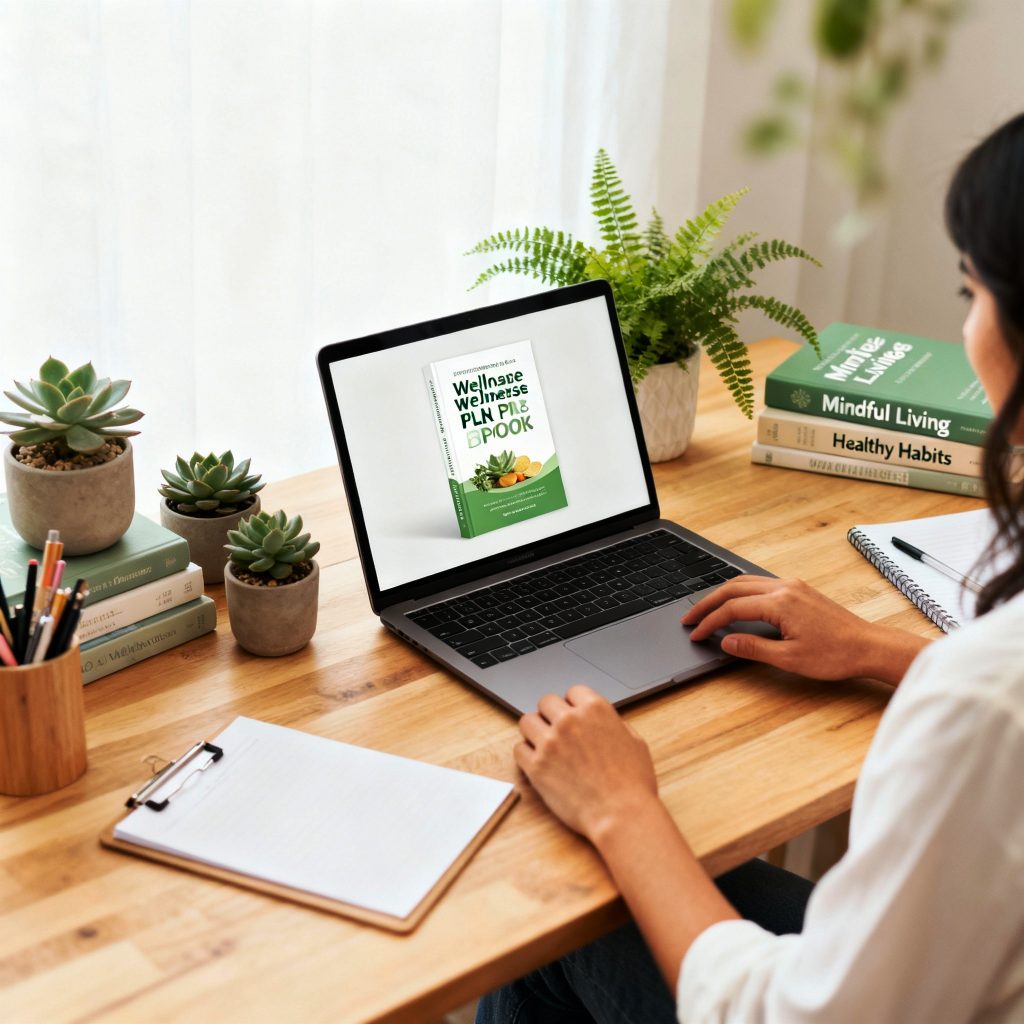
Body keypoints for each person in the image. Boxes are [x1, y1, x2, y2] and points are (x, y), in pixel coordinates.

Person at [476, 112, 1024, 1024]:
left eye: (972, 292)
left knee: (556, 920)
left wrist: (620, 807)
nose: (968, 328)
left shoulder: (980, 702)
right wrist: (876, 651)